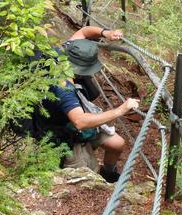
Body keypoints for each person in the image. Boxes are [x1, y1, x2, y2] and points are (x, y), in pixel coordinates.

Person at [32, 26, 140, 183]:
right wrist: (121, 110)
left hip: (74, 117)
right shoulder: (63, 88)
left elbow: (84, 31)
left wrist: (106, 33)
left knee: (117, 144)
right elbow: (80, 121)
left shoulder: (67, 50)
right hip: (64, 132)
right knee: (89, 173)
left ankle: (109, 173)